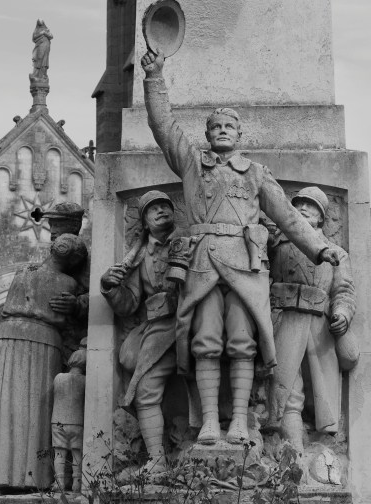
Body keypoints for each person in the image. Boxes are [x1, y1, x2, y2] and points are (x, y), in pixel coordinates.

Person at [140, 50, 340, 446]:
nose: (222, 131)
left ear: (240, 135)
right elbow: (162, 126)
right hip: (202, 264)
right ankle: (209, 421)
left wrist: (319, 248)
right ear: (207, 134)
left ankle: (239, 421)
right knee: (205, 342)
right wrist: (154, 77)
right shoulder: (192, 164)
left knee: (243, 343)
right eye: (215, 126)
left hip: (246, 268)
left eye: (229, 126)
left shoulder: (256, 174)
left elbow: (288, 216)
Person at [0, 234, 88, 492]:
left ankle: (29, 479)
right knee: (14, 408)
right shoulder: (31, 271)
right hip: (21, 339)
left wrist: (77, 305)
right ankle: (13, 478)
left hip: (29, 340)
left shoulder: (58, 280)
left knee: (34, 411)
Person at [267, 187, 358, 451]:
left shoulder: (336, 252)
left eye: (311, 205)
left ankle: (322, 449)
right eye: (298, 204)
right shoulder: (276, 245)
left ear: (321, 218)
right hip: (285, 319)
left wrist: (342, 314)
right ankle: (294, 452)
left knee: (321, 395)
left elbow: (344, 291)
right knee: (287, 391)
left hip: (320, 327)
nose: (303, 208)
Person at [100, 191, 179, 472]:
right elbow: (129, 304)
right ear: (144, 222)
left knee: (145, 389)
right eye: (153, 209)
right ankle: (157, 458)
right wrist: (110, 286)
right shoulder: (141, 255)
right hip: (157, 328)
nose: (161, 210)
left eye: (165, 206)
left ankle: (158, 459)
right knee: (141, 384)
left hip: (187, 322)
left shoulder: (188, 240)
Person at [42, 201, 90, 360]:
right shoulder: (51, 260)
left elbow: (99, 298)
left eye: (57, 225)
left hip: (74, 343)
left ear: (74, 226)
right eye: (51, 225)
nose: (52, 231)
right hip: (49, 336)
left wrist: (77, 305)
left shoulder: (86, 261)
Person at [51, 341, 87, 493]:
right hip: (77, 422)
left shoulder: (58, 377)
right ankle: (77, 483)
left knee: (59, 453)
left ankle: (58, 483)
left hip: (58, 421)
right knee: (77, 453)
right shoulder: (85, 381)